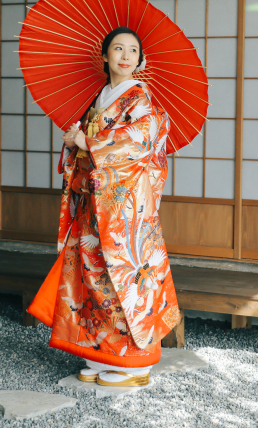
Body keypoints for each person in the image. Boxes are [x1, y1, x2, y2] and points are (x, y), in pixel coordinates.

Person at [27, 27, 181, 387]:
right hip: (94, 203)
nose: (126, 56)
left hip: (124, 209)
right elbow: (86, 143)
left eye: (133, 51)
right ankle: (99, 352)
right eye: (118, 48)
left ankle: (135, 364)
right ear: (105, 56)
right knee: (92, 277)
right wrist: (75, 142)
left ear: (140, 61)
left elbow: (144, 138)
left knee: (122, 279)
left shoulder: (140, 98)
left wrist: (91, 142)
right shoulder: (100, 96)